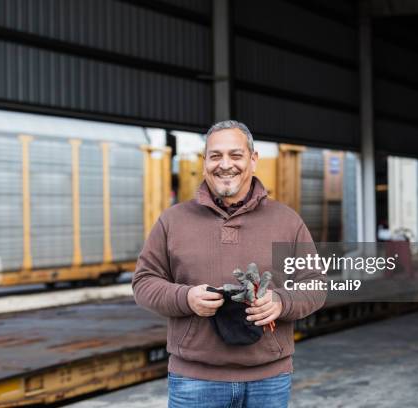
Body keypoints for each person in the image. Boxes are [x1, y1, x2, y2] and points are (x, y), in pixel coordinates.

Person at [132, 120, 326, 408]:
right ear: (204, 161)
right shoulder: (173, 221)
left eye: (236, 155)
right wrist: (186, 298)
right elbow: (144, 282)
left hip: (268, 381)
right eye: (215, 156)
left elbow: (315, 285)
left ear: (253, 159)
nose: (225, 164)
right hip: (194, 381)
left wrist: (280, 302)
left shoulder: (287, 221)